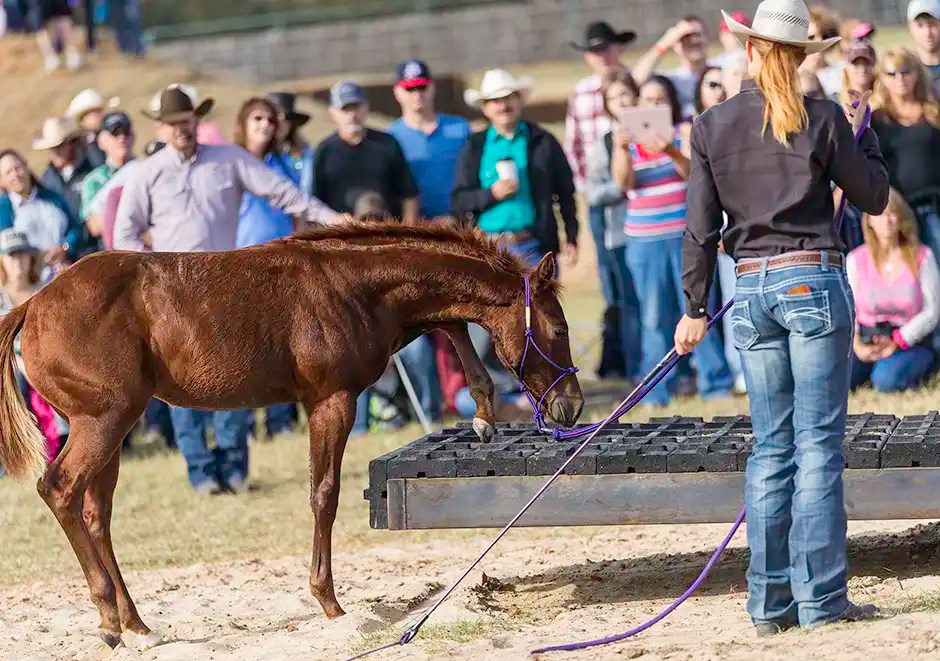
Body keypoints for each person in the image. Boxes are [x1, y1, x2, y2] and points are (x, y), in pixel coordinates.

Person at [675, 0, 889, 636]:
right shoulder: (823, 117)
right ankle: (822, 602)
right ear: (797, 58)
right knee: (818, 445)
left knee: (772, 447)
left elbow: (696, 229)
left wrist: (693, 306)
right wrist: (864, 132)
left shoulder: (711, 125)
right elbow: (874, 197)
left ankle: (769, 606)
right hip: (813, 280)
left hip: (749, 289)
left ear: (748, 50)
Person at [114, 85, 341, 494]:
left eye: (188, 121)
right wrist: (150, 267)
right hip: (170, 296)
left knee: (236, 374)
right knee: (174, 380)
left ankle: (235, 469)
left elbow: (285, 194)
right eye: (174, 123)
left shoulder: (228, 160)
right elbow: (123, 232)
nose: (182, 129)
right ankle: (201, 473)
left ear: (196, 121)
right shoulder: (146, 173)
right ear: (163, 128)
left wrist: (335, 221)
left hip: (224, 286)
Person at [612, 74, 732, 405]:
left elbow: (697, 176)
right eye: (648, 100)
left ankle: (715, 383)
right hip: (643, 239)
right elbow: (623, 185)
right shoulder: (626, 138)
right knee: (654, 317)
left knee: (695, 308)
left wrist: (670, 151)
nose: (654, 106)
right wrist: (620, 149)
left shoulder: (684, 132)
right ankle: (656, 389)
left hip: (685, 236)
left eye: (660, 99)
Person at [565, 22, 636, 380]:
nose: (602, 55)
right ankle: (619, 359)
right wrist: (590, 190)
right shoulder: (580, 92)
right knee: (612, 283)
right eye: (595, 50)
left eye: (606, 48)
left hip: (636, 193)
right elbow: (574, 145)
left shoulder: (632, 83)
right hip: (600, 194)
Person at [453, 69, 579, 268]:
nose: (503, 106)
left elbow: (565, 192)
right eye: (495, 101)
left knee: (536, 299)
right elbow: (460, 199)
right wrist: (492, 193)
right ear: (485, 108)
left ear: (519, 100)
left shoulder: (542, 140)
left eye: (508, 98)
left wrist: (571, 237)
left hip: (534, 245)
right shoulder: (474, 146)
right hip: (489, 249)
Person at [233, 96, 301, 439]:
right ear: (243, 123)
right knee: (242, 348)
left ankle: (281, 421)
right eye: (257, 118)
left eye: (271, 121)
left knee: (282, 348)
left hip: (282, 270)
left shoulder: (283, 165)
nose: (265, 125)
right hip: (240, 268)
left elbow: (298, 211)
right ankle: (243, 423)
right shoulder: (231, 163)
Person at [870, 48, 940, 339]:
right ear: (882, 79)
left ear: (917, 74)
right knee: (911, 279)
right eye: (891, 73)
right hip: (897, 214)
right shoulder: (877, 120)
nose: (899, 79)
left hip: (934, 208)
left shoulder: (933, 110)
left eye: (906, 71)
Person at [584, 69, 644, 385]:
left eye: (626, 94)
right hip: (622, 234)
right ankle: (637, 369)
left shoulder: (654, 133)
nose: (621, 101)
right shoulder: (605, 145)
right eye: (613, 97)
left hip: (662, 229)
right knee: (630, 305)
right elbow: (591, 192)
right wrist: (621, 188)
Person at [849, 187, 939, 392]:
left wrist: (897, 341)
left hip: (910, 341)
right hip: (867, 340)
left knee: (886, 381)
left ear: (901, 218)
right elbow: (849, 308)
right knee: (840, 381)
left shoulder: (922, 256)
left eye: (892, 213)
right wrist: (856, 345)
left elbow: (932, 311)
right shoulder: (855, 260)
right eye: (879, 214)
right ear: (868, 220)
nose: (887, 220)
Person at [0, 228, 66, 461]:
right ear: (2, 261)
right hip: (10, 364)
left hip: (45, 359)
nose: (18, 262)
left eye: (22, 254)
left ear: (31, 258)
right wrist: (20, 362)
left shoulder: (46, 289)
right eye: (11, 255)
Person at [313, 81, 420, 224]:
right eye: (345, 110)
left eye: (356, 107)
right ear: (333, 113)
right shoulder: (325, 151)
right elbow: (316, 203)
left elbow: (409, 195)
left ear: (366, 107)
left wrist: (408, 234)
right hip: (342, 237)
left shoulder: (387, 144)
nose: (352, 115)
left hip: (387, 234)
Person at [388, 60, 471, 222]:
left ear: (432, 88)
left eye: (422, 87)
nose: (417, 94)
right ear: (397, 92)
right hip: (415, 228)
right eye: (409, 89)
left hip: (461, 224)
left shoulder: (461, 129)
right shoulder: (390, 138)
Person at [0, 149, 81, 282]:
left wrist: (65, 248)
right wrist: (37, 258)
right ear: (1, 181)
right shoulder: (3, 210)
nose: (15, 175)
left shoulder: (53, 198)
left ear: (26, 166)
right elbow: (7, 248)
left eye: (18, 168)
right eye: (8, 172)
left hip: (66, 270)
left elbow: (75, 228)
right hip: (32, 281)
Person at [631, 15, 712, 117]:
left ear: (708, 37)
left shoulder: (724, 69)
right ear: (674, 44)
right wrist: (664, 43)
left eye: (698, 34)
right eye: (685, 37)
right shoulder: (671, 80)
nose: (693, 40)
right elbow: (635, 79)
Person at [81, 111, 136, 251]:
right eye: (115, 133)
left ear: (133, 137)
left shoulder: (147, 169)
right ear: (101, 142)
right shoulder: (93, 181)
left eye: (126, 132)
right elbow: (95, 226)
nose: (121, 138)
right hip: (114, 256)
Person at [34, 116, 96, 223]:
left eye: (60, 146)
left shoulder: (92, 167)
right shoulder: (48, 177)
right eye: (52, 148)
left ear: (72, 143)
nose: (55, 152)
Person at [268, 91, 316, 195]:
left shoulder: (305, 157)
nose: (280, 122)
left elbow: (307, 192)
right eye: (275, 117)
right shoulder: (253, 158)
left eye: (286, 118)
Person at [799, 5, 843, 99]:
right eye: (811, 37)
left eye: (825, 36)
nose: (819, 40)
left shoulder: (840, 75)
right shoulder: (789, 76)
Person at [908, 0, 940, 98]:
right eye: (920, 25)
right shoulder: (903, 72)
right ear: (910, 28)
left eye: (933, 24)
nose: (927, 33)